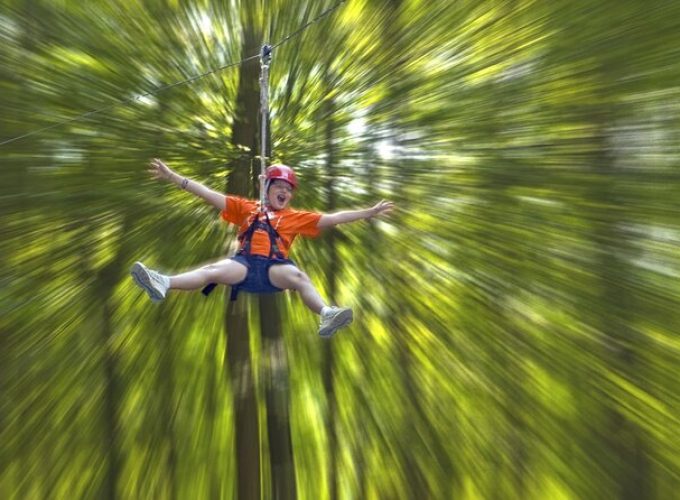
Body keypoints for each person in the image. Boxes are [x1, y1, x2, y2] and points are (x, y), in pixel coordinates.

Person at [131, 158, 394, 338]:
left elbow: (334, 219)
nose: (284, 192)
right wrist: (173, 177)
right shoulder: (245, 208)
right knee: (213, 269)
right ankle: (163, 282)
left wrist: (368, 213)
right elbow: (207, 194)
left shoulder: (295, 217)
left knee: (299, 277)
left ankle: (326, 314)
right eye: (278, 186)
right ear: (266, 188)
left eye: (288, 190)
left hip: (273, 270)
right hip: (243, 266)